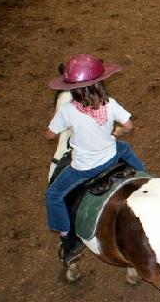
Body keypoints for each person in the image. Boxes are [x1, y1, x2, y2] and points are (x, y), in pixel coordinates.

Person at [45, 54, 146, 265]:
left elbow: (50, 135)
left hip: (84, 167)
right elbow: (129, 126)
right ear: (100, 83)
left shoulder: (67, 111)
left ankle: (69, 239)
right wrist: (115, 133)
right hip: (111, 154)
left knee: (53, 195)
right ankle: (146, 178)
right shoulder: (109, 103)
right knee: (125, 148)